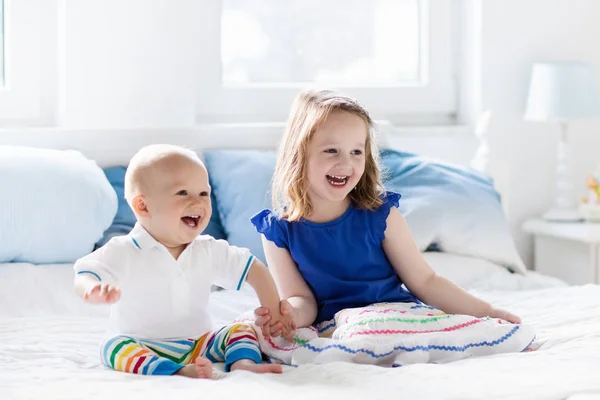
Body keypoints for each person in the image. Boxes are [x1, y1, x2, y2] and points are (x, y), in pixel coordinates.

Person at [251, 89, 520, 338]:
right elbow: (303, 300)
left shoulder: (381, 216)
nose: (346, 163)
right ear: (299, 154)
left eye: (357, 151)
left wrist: (488, 312)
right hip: (337, 327)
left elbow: (425, 282)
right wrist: (290, 316)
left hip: (393, 317)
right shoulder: (278, 232)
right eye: (331, 150)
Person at [74, 144, 292, 379]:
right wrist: (92, 289)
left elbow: (253, 269)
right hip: (142, 343)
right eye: (182, 193)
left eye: (203, 193)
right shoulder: (124, 250)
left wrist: (272, 310)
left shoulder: (208, 248)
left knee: (242, 329)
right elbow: (86, 273)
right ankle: (176, 370)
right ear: (143, 205)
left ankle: (243, 363)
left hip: (199, 342)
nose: (197, 202)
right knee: (113, 348)